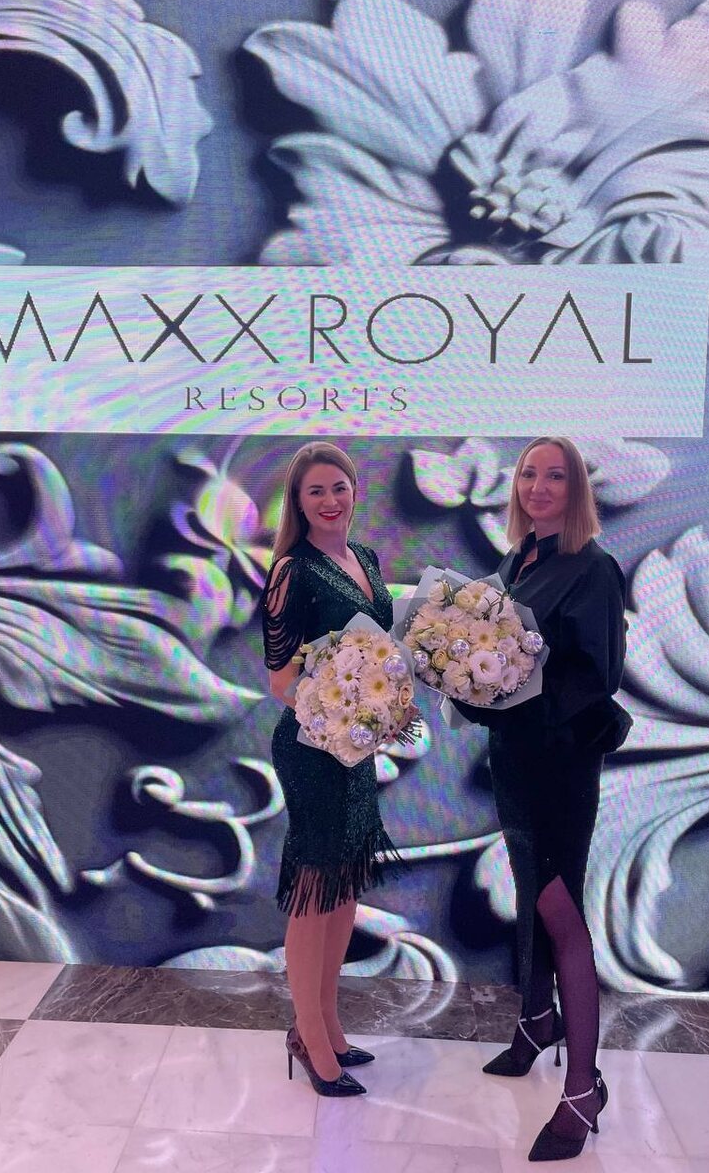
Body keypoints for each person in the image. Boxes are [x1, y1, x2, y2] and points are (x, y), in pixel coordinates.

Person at [455, 437, 629, 1162]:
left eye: (556, 476)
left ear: (576, 489)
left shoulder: (592, 568)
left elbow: (596, 679)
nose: (539, 486)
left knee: (560, 911)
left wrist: (510, 685)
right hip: (515, 763)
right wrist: (468, 680)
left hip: (559, 766)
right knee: (530, 893)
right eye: (529, 473)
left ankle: (583, 1089)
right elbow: (496, 663)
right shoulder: (515, 563)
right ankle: (536, 1021)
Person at [260, 441, 404, 1098]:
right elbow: (280, 680)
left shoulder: (366, 559)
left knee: (345, 885)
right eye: (315, 490)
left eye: (338, 487)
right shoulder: (291, 571)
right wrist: (344, 716)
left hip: (356, 748)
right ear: (298, 501)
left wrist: (380, 710)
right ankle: (310, 1036)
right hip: (311, 749)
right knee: (315, 888)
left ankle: (329, 1025)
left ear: (354, 491)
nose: (329, 500)